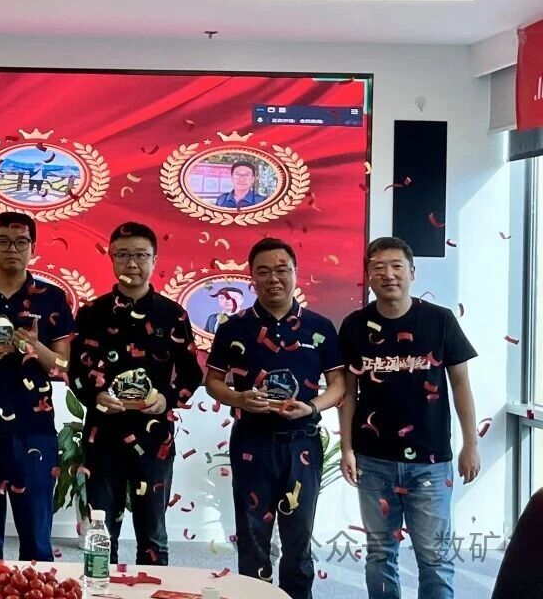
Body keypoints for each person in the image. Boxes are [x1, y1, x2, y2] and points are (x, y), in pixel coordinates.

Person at [338, 237, 480, 599]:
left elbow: (461, 386)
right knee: (380, 553)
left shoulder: (439, 320)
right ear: (368, 276)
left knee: (434, 558)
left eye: (396, 266)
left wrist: (471, 444)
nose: (388, 274)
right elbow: (348, 394)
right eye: (378, 267)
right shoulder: (354, 325)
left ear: (412, 272)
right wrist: (347, 449)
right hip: (374, 460)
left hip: (430, 461)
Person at [204, 237, 345, 599]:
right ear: (251, 277)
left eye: (282, 270)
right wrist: (238, 398)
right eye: (263, 272)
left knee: (299, 539)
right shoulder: (233, 327)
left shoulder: (320, 327)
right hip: (252, 442)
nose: (273, 279)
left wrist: (312, 407)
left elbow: (339, 384)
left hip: (302, 443)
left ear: (296, 272)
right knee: (253, 537)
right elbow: (213, 381)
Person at [69, 222, 202, 566]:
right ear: (111, 258)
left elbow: (192, 373)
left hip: (154, 438)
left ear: (154, 260)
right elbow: (75, 371)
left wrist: (166, 399)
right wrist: (95, 396)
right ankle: (100, 587)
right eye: (123, 255)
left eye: (141, 255)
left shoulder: (172, 315)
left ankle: (156, 588)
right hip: (103, 435)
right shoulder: (91, 313)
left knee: (153, 531)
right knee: (101, 530)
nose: (132, 263)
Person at [0, 212, 74, 561]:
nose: (12, 249)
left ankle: (38, 585)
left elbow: (64, 365)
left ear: (33, 248)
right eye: (4, 242)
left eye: (21, 242)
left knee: (36, 533)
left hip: (34, 428)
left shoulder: (52, 298)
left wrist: (35, 348)